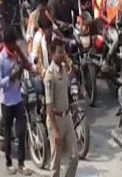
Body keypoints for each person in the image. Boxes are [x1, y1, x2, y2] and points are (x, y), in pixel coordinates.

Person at [0, 29, 34, 175]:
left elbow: (26, 63)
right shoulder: (0, 60)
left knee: (21, 131)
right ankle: (8, 162)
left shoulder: (16, 54)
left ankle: (21, 163)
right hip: (6, 101)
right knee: (8, 133)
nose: (15, 46)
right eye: (13, 44)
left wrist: (29, 68)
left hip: (17, 98)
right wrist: (11, 77)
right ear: (7, 44)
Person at [44, 39, 78, 177]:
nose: (62, 54)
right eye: (59, 52)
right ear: (52, 54)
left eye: (63, 51)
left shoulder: (63, 69)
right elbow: (49, 106)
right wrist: (56, 130)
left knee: (75, 156)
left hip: (67, 117)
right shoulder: (50, 76)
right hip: (55, 121)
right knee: (56, 163)